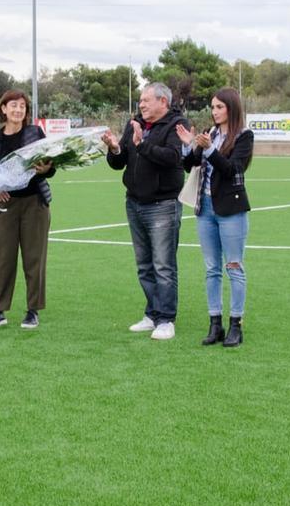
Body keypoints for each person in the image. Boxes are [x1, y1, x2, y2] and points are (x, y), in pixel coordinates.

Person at [102, 82, 188, 340]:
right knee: (144, 265)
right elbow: (120, 163)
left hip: (163, 205)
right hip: (134, 203)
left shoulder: (178, 125)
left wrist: (142, 145)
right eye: (140, 100)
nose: (141, 104)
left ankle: (166, 319)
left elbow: (173, 158)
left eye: (146, 100)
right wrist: (115, 147)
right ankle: (152, 314)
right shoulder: (134, 124)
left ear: (163, 102)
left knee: (163, 265)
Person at [176, 87, 253, 347]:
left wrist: (209, 151)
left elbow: (233, 169)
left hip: (231, 210)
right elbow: (190, 166)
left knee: (234, 267)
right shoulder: (209, 133)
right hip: (205, 209)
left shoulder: (244, 135)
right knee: (211, 269)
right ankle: (215, 324)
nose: (215, 111)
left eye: (219, 107)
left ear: (231, 108)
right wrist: (191, 145)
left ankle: (236, 325)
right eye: (213, 107)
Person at [0, 90, 56, 329]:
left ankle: (33, 310)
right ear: (3, 109)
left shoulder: (35, 134)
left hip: (34, 203)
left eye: (22, 106)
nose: (18, 110)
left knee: (34, 257)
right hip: (5, 205)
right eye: (13, 105)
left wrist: (45, 169)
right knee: (3, 258)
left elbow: (50, 167)